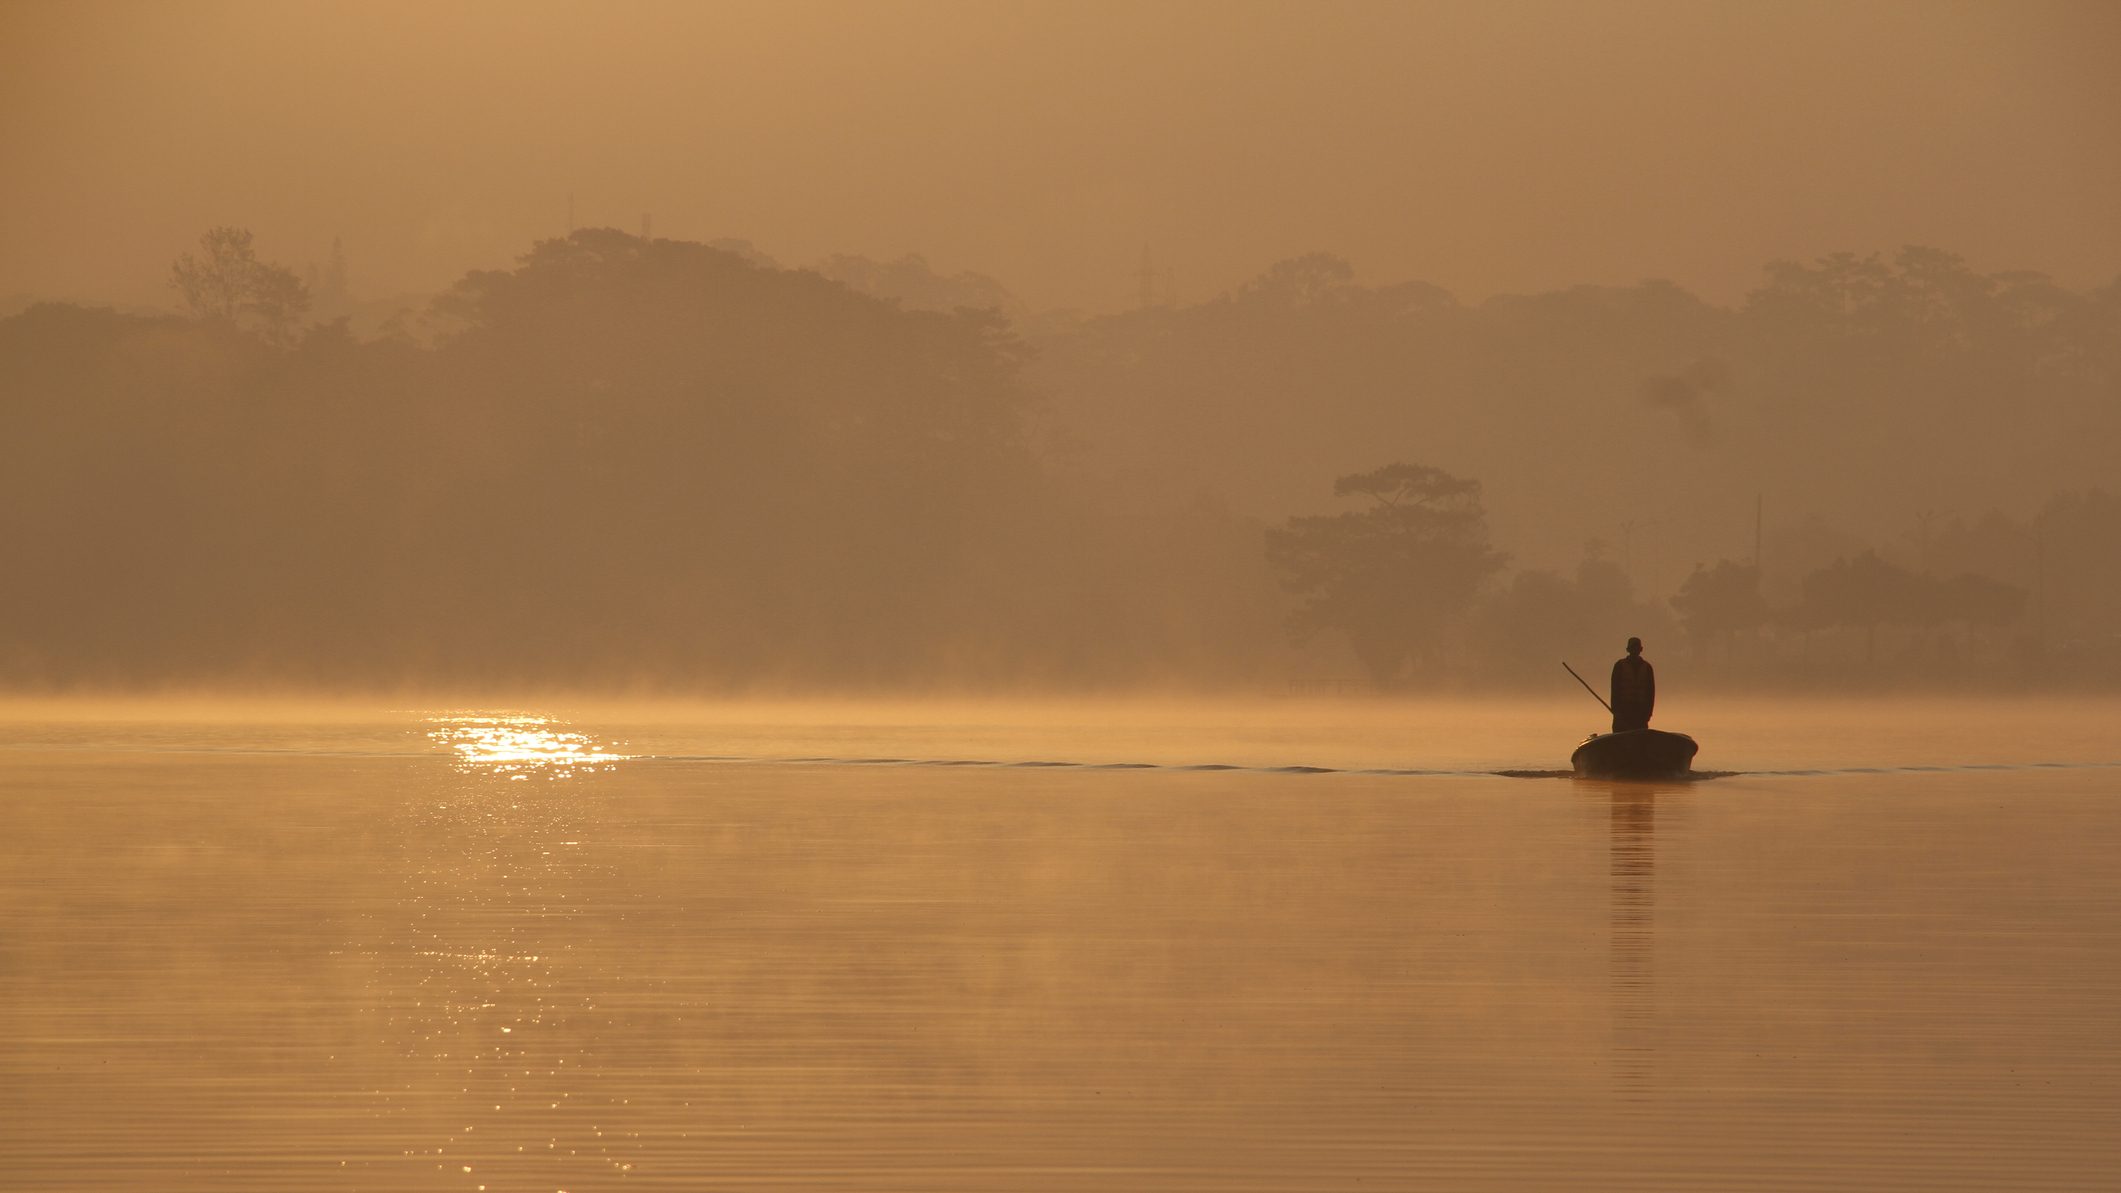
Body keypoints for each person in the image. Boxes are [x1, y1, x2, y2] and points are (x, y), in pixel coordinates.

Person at [1610, 637, 1655, 733]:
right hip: (1623, 711)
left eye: (1636, 647)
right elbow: (1615, 690)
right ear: (1628, 649)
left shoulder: (1647, 668)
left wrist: (1648, 714)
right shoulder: (1619, 666)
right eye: (1632, 647)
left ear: (1641, 649)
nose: (1634, 650)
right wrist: (1616, 711)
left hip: (1641, 713)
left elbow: (1650, 693)